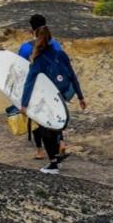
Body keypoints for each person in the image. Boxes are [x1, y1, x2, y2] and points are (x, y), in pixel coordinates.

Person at [20, 26, 87, 175]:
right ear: (51, 37)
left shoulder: (38, 58)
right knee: (55, 128)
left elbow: (29, 83)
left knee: (45, 130)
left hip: (46, 99)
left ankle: (53, 164)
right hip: (61, 97)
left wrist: (24, 104)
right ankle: (57, 157)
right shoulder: (61, 54)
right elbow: (72, 76)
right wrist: (80, 96)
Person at [19, 14, 65, 159]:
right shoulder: (56, 44)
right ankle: (61, 142)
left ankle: (40, 150)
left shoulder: (26, 48)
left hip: (36, 88)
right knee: (55, 113)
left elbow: (21, 68)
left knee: (36, 119)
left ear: (31, 29)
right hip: (54, 86)